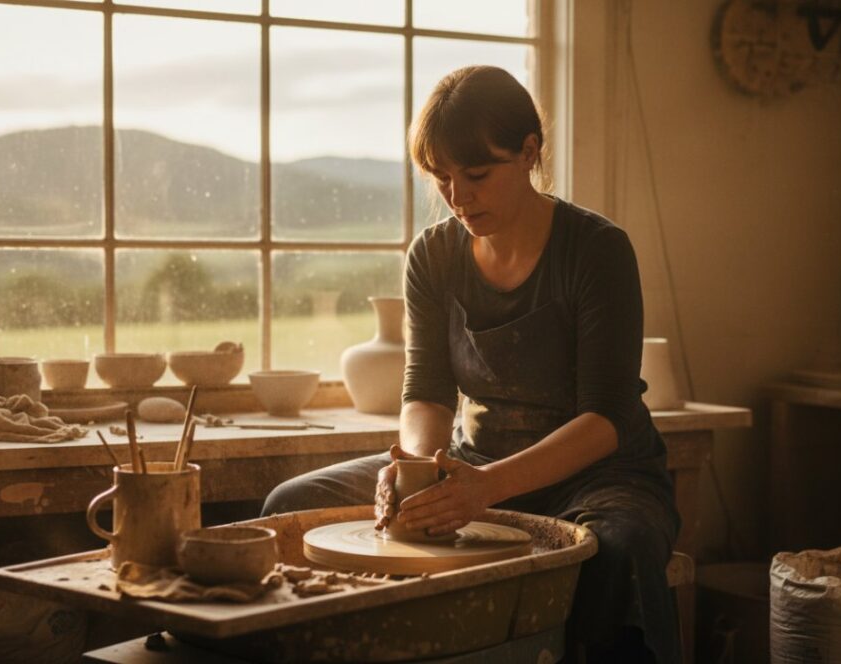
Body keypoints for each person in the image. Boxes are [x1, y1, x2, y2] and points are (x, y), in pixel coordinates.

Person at [262, 65, 681, 663]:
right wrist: (415, 468)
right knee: (291, 509)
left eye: (477, 174)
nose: (457, 196)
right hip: (470, 465)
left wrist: (485, 489)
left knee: (615, 549)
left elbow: (609, 415)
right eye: (441, 178)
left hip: (600, 479)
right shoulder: (433, 256)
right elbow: (426, 390)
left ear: (530, 152)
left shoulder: (596, 249)